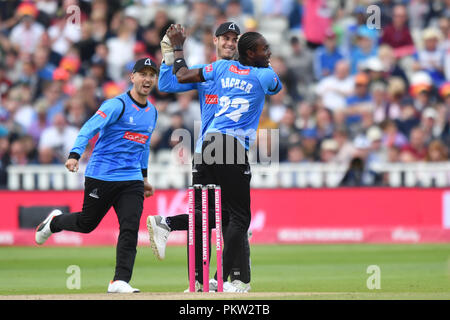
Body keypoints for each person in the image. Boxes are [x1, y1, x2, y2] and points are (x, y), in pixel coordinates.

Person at [164, 24, 282, 292]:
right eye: (264, 48)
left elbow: (181, 75)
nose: (269, 52)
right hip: (232, 145)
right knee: (239, 219)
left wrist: (178, 47)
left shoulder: (220, 68)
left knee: (207, 214)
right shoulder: (262, 74)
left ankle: (198, 276)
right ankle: (219, 279)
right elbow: (275, 86)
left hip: (206, 144)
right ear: (251, 53)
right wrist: (265, 61)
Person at [34, 57, 159, 293]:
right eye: (143, 74)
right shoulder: (116, 105)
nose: (147, 79)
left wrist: (143, 178)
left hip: (130, 179)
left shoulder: (152, 112)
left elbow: (143, 145)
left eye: (152, 75)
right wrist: (74, 154)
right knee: (87, 224)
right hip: (101, 175)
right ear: (132, 77)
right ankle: (54, 222)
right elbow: (88, 128)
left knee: (130, 226)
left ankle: (119, 280)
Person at [148, 22, 252, 292]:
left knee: (226, 217)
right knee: (216, 217)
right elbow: (168, 83)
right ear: (215, 41)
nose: (230, 43)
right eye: (225, 38)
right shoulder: (209, 71)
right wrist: (169, 57)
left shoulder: (247, 73)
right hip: (211, 151)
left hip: (222, 151)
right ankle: (204, 281)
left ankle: (168, 225)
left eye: (235, 39)